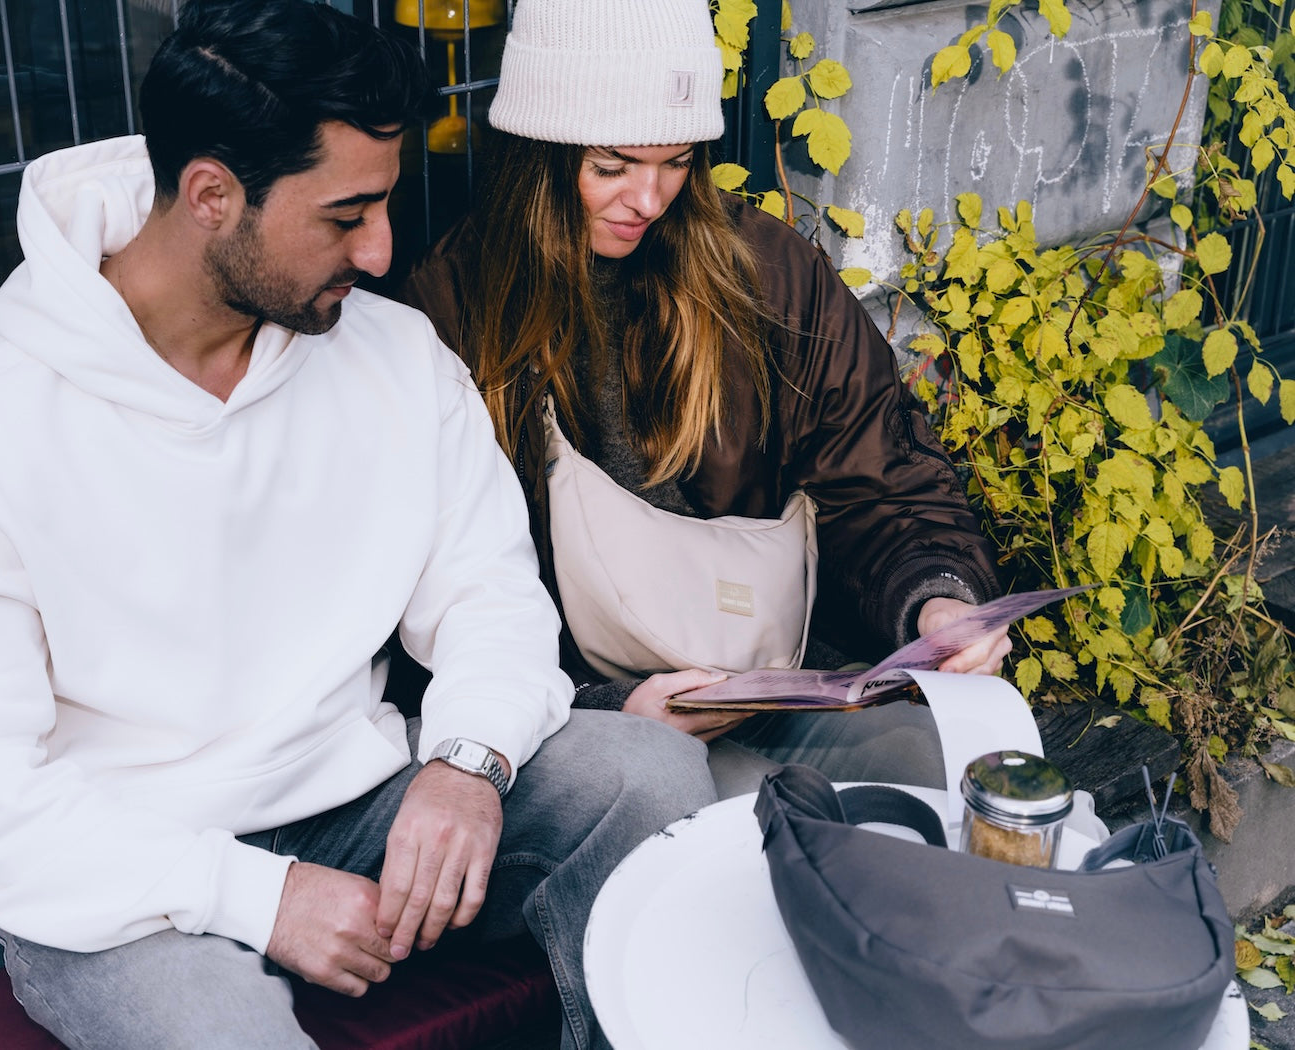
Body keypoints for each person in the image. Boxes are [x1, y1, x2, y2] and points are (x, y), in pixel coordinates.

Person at [0, 4, 715, 1049]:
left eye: (384, 207)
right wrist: (254, 897)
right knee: (214, 1026)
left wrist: (468, 762)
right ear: (210, 196)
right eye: (344, 216)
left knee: (646, 781)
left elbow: (488, 591)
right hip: (121, 876)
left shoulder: (391, 356)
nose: (379, 251)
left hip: (354, 805)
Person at [402, 0, 1012, 797]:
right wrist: (610, 707)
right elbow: (438, 597)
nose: (650, 200)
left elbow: (878, 474)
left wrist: (936, 601)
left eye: (678, 160)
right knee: (713, 818)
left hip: (774, 667)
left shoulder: (762, 272)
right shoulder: (451, 310)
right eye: (612, 166)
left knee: (935, 766)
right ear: (538, 157)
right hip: (573, 712)